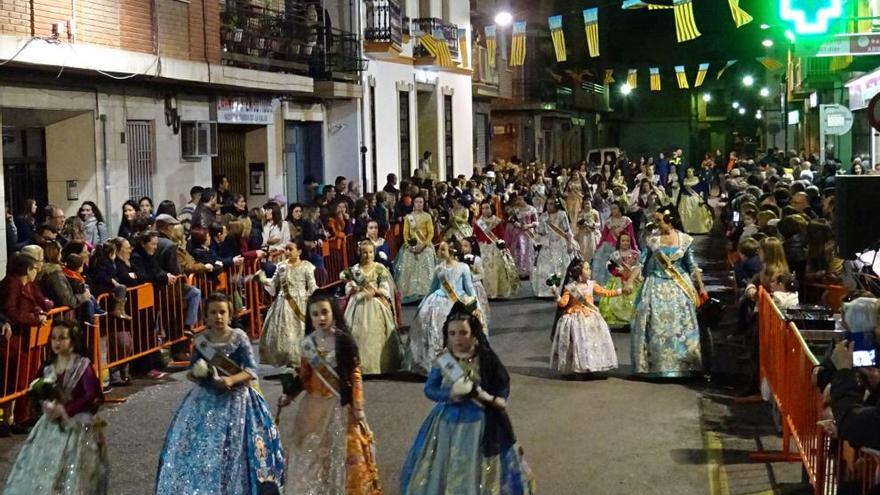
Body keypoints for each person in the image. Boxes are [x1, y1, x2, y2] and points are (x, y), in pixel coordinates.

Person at [400, 302, 534, 495]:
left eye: (463, 332)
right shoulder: (443, 360)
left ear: (473, 333)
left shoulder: (486, 358)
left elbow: (502, 384)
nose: (457, 339)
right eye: (452, 333)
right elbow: (430, 389)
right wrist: (450, 394)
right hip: (447, 423)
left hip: (481, 422)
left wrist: (495, 399)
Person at [156, 293, 285, 492]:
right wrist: (201, 375)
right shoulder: (202, 341)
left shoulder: (239, 337)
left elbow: (251, 370)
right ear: (206, 317)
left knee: (236, 448)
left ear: (230, 314)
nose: (218, 317)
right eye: (213, 313)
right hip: (206, 399)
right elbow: (191, 371)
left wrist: (230, 379)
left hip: (238, 399)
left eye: (222, 312)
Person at [280, 292, 382, 494]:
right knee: (313, 452)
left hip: (341, 406)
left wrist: (358, 406)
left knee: (343, 452)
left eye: (325, 312)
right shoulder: (308, 344)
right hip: (314, 407)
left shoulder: (343, 342)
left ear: (334, 313)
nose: (321, 318)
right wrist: (290, 395)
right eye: (315, 314)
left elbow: (355, 375)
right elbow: (305, 377)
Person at [3, 320, 109, 493]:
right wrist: (43, 402)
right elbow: (37, 387)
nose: (57, 343)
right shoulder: (48, 366)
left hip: (76, 426)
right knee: (43, 470)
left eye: (62, 338)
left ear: (73, 341)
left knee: (74, 473)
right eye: (53, 338)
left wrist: (66, 409)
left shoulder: (82, 366)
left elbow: (90, 394)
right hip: (49, 428)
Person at [631, 209, 708, 377]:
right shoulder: (653, 240)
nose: (656, 224)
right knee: (654, 324)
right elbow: (640, 263)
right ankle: (656, 365)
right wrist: (630, 281)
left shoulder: (685, 240)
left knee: (683, 325)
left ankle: (685, 364)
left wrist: (701, 287)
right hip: (656, 284)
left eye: (659, 221)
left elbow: (692, 265)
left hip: (680, 287)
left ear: (670, 221)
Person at [410, 241, 480, 374]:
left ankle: (458, 366)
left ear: (452, 251)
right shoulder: (439, 268)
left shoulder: (463, 267)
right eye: (440, 249)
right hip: (436, 302)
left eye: (443, 250)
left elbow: (470, 288)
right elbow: (433, 288)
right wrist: (422, 304)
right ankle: (432, 366)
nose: (439, 252)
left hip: (457, 301)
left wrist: (475, 304)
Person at [551, 259, 625, 376]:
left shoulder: (592, 285)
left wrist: (621, 291)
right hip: (575, 319)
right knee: (578, 343)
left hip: (590, 317)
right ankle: (579, 367)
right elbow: (563, 304)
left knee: (591, 343)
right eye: (586, 269)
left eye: (589, 268)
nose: (589, 271)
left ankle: (592, 364)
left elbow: (605, 292)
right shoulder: (570, 288)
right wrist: (557, 295)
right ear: (579, 273)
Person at [257, 239, 317, 369]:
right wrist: (262, 279)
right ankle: (289, 362)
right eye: (287, 249)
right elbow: (273, 284)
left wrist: (313, 299)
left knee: (300, 332)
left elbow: (312, 286)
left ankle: (301, 361)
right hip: (283, 304)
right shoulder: (281, 266)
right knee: (284, 333)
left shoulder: (307, 266)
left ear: (299, 251)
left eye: (291, 249)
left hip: (300, 304)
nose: (288, 252)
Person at [343, 240, 398, 375]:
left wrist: (374, 292)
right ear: (359, 253)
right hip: (357, 305)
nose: (368, 255)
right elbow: (348, 285)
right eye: (364, 253)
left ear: (374, 252)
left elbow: (385, 287)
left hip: (375, 303)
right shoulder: (355, 269)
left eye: (370, 252)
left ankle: (378, 365)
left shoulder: (379, 268)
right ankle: (357, 365)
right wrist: (352, 288)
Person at [532, 197, 577, 298]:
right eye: (548, 204)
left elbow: (567, 231)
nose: (549, 206)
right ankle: (547, 291)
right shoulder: (543, 216)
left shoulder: (562, 214)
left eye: (552, 203)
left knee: (560, 267)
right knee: (545, 268)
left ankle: (560, 290)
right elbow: (540, 231)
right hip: (547, 244)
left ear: (557, 204)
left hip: (560, 244)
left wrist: (570, 244)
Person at [394, 195, 437, 303]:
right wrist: (410, 246)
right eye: (417, 202)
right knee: (407, 256)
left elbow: (431, 233)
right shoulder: (408, 217)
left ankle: (425, 292)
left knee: (427, 254)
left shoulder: (427, 216)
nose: (419, 204)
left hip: (424, 244)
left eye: (421, 202)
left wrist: (423, 245)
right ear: (413, 203)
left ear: (424, 204)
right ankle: (410, 292)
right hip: (411, 244)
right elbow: (405, 233)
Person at [473, 201, 519, 299]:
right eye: (483, 208)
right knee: (483, 269)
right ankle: (485, 293)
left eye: (487, 208)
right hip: (483, 248)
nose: (485, 210)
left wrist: (503, 247)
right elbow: (475, 236)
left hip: (495, 248)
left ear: (492, 209)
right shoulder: (478, 222)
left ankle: (497, 292)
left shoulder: (497, 221)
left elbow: (502, 236)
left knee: (496, 269)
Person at [598, 232, 642, 327]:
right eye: (623, 241)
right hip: (618, 280)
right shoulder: (615, 254)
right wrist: (618, 272)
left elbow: (638, 267)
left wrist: (631, 272)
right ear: (619, 242)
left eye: (627, 241)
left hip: (631, 280)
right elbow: (610, 267)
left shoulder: (635, 254)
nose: (625, 243)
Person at [591, 201, 639, 287]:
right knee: (606, 269)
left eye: (614, 208)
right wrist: (598, 247)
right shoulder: (609, 222)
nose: (612, 211)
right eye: (611, 209)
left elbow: (631, 236)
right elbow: (603, 236)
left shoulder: (626, 221)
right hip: (608, 247)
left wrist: (634, 248)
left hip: (622, 248)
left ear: (620, 209)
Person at [460, 236, 490, 328]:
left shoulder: (476, 260)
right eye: (462, 245)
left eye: (466, 246)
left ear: (471, 247)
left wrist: (471, 277)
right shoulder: (459, 259)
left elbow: (482, 274)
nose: (463, 248)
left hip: (475, 287)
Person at [506, 193, 539, 279]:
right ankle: (518, 271)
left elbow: (537, 222)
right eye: (517, 199)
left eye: (519, 199)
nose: (518, 201)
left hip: (528, 232)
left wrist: (529, 225)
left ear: (524, 199)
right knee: (518, 250)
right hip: (517, 232)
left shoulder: (532, 209)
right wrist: (517, 224)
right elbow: (510, 219)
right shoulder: (515, 210)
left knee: (528, 250)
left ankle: (527, 271)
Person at [678, 168, 714, 234]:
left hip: (695, 199)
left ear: (693, 172)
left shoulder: (697, 180)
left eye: (690, 172)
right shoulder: (684, 180)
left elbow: (703, 188)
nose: (688, 173)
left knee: (698, 214)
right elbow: (682, 190)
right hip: (685, 200)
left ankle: (701, 229)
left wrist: (702, 196)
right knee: (687, 214)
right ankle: (688, 229)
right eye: (687, 172)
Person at [575, 197, 601, 263]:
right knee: (583, 249)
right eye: (585, 204)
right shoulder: (580, 213)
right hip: (583, 233)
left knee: (593, 249)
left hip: (592, 233)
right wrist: (582, 224)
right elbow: (577, 224)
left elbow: (598, 223)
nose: (586, 205)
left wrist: (593, 225)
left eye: (588, 203)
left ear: (591, 204)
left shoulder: (595, 212)